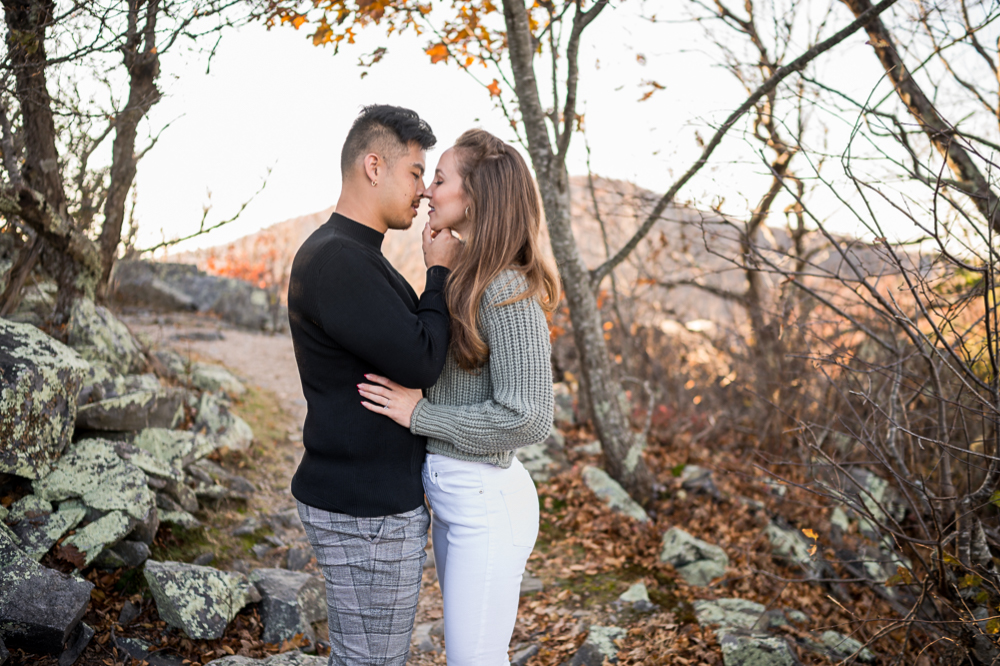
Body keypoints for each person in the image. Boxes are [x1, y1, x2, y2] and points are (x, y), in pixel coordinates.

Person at [358, 128, 559, 665]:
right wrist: (437, 273)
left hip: (487, 504)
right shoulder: (466, 275)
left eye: (439, 179)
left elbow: (530, 418)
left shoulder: (505, 289)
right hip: (457, 501)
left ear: (474, 198)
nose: (426, 192)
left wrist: (420, 414)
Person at [287, 104, 462, 665]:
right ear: (373, 166)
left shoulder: (357, 255)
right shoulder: (339, 260)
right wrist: (439, 274)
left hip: (368, 504)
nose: (424, 191)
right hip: (365, 512)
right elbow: (421, 360)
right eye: (416, 173)